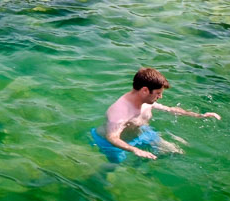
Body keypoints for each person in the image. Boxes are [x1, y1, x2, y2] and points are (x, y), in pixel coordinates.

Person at [91, 67, 221, 163]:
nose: (160, 96)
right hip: (113, 144)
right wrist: (135, 150)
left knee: (176, 152)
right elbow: (112, 137)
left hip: (141, 133)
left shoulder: (146, 100)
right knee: (114, 168)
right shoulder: (120, 111)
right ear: (145, 90)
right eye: (158, 93)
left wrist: (200, 116)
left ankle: (141, 164)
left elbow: (170, 109)